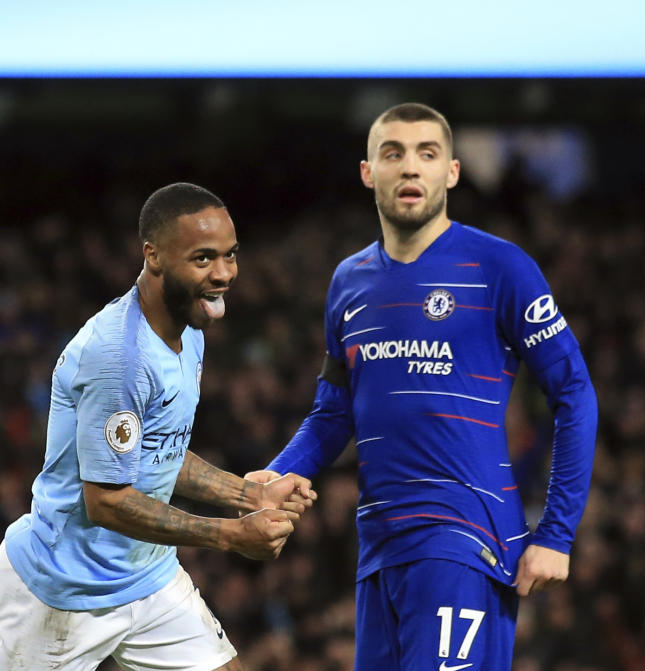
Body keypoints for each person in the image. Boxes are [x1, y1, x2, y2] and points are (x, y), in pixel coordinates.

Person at [250, 103, 598, 670]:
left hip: (463, 541)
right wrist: (283, 470)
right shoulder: (348, 282)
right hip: (380, 550)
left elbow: (575, 393)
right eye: (394, 153)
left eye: (426, 154)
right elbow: (335, 411)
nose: (410, 168)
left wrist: (556, 534)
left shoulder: (499, 266)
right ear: (368, 172)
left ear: (452, 172)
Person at [0, 182, 316, 671]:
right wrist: (230, 535)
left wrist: (249, 496)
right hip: (64, 589)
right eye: (204, 259)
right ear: (154, 256)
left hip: (147, 578)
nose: (224, 273)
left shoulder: (189, 328)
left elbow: (158, 452)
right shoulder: (119, 358)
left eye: (230, 256)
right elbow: (106, 500)